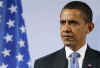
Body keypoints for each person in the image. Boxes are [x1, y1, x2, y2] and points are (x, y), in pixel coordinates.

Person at [34, 1, 100, 68]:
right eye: (63, 23)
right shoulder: (42, 64)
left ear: (89, 28)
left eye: (73, 23)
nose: (66, 29)